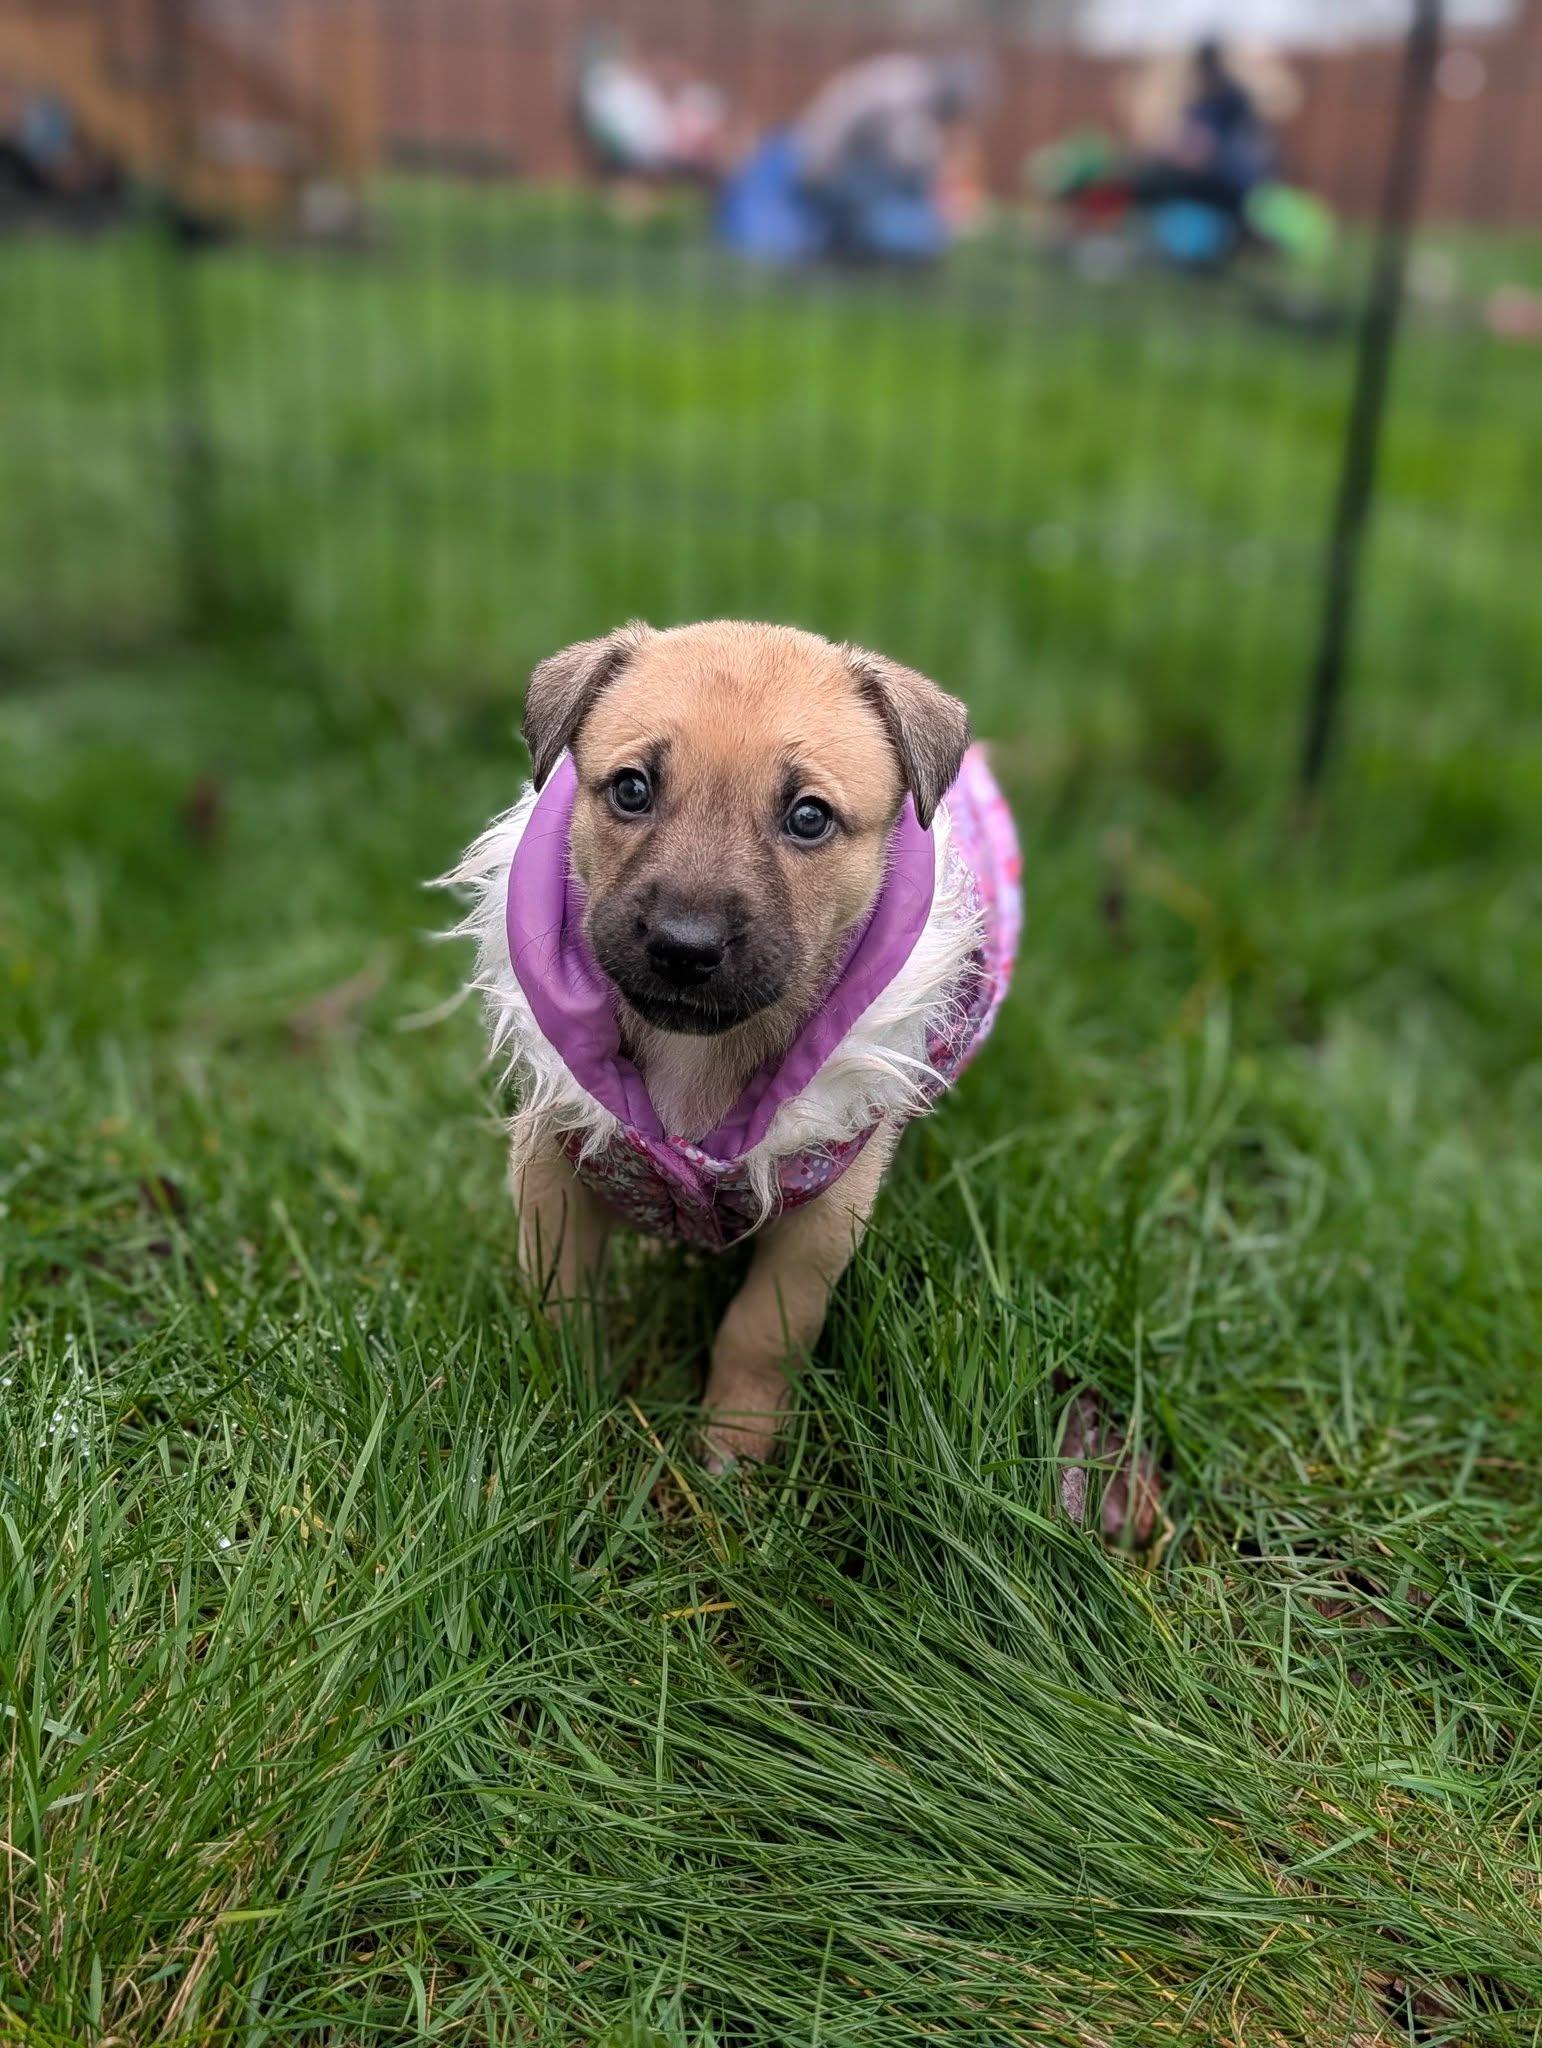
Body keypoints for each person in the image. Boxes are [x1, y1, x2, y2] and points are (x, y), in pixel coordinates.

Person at [791, 51, 988, 264]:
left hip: (821, 155)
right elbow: (907, 160)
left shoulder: (909, 76)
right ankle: (861, 248)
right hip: (825, 166)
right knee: (914, 232)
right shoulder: (910, 94)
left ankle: (847, 243)